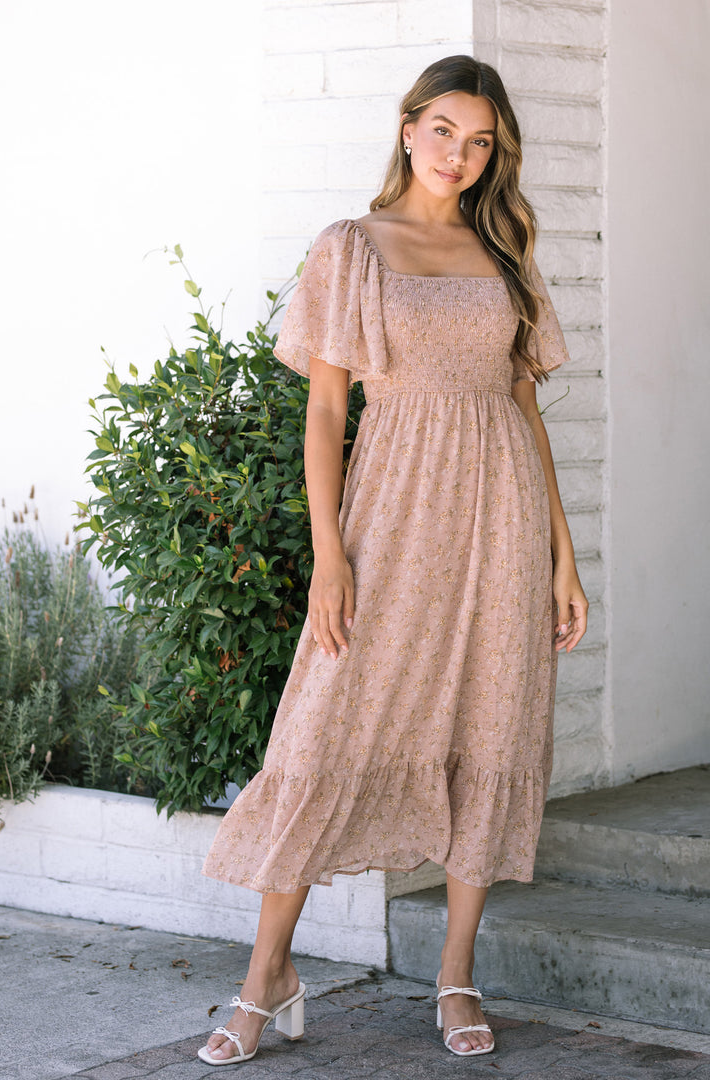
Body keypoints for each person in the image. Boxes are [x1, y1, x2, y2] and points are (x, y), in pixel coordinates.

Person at [198, 54, 588, 1066]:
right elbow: (327, 413)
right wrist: (331, 558)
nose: (461, 154)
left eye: (482, 140)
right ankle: (266, 976)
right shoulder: (352, 248)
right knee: (326, 728)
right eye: (446, 130)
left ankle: (456, 973)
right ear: (410, 128)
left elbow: (523, 408)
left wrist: (561, 555)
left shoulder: (505, 253)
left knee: (488, 724)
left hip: (498, 516)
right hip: (393, 511)